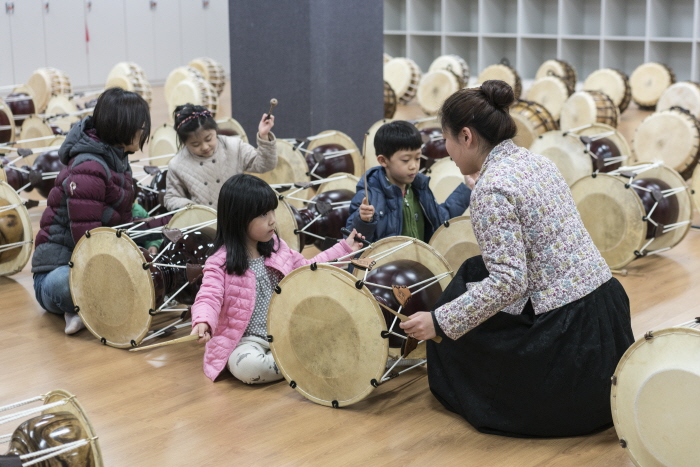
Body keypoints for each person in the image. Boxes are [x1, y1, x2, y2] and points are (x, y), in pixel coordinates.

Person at [399, 80, 635, 438]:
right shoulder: (535, 161)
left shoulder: (491, 189)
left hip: (571, 341)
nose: (445, 150)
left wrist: (439, 322)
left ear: (466, 137)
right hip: (607, 312)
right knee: (472, 270)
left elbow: (510, 282)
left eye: (445, 139)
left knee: (463, 338)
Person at [190, 174, 366, 384]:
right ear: (239, 217)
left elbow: (307, 269)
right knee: (249, 366)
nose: (273, 219)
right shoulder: (219, 263)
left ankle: (290, 359)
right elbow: (209, 296)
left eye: (272, 210)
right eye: (264, 214)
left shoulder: (276, 247)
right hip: (245, 341)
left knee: (334, 327)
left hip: (284, 331)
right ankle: (297, 361)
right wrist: (203, 320)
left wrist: (344, 249)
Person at [32, 88, 168, 334]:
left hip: (91, 263)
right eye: (141, 125)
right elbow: (89, 240)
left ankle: (90, 305)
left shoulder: (117, 158)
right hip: (57, 272)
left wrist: (158, 232)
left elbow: (122, 223)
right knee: (64, 284)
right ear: (124, 127)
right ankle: (75, 308)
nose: (144, 131)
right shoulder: (89, 167)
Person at [345, 120, 471, 243]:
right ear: (383, 160)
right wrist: (363, 221)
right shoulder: (368, 195)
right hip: (386, 264)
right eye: (405, 160)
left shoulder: (419, 189)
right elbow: (351, 241)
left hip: (419, 262)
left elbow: (440, 219)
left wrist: (467, 189)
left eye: (417, 158)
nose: (414, 166)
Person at [164, 104, 277, 210]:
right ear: (185, 143)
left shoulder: (234, 146)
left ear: (215, 130)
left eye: (208, 139)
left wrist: (264, 136)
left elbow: (265, 165)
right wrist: (193, 209)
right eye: (195, 144)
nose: (204, 147)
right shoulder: (177, 164)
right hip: (205, 224)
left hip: (239, 215)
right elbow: (171, 198)